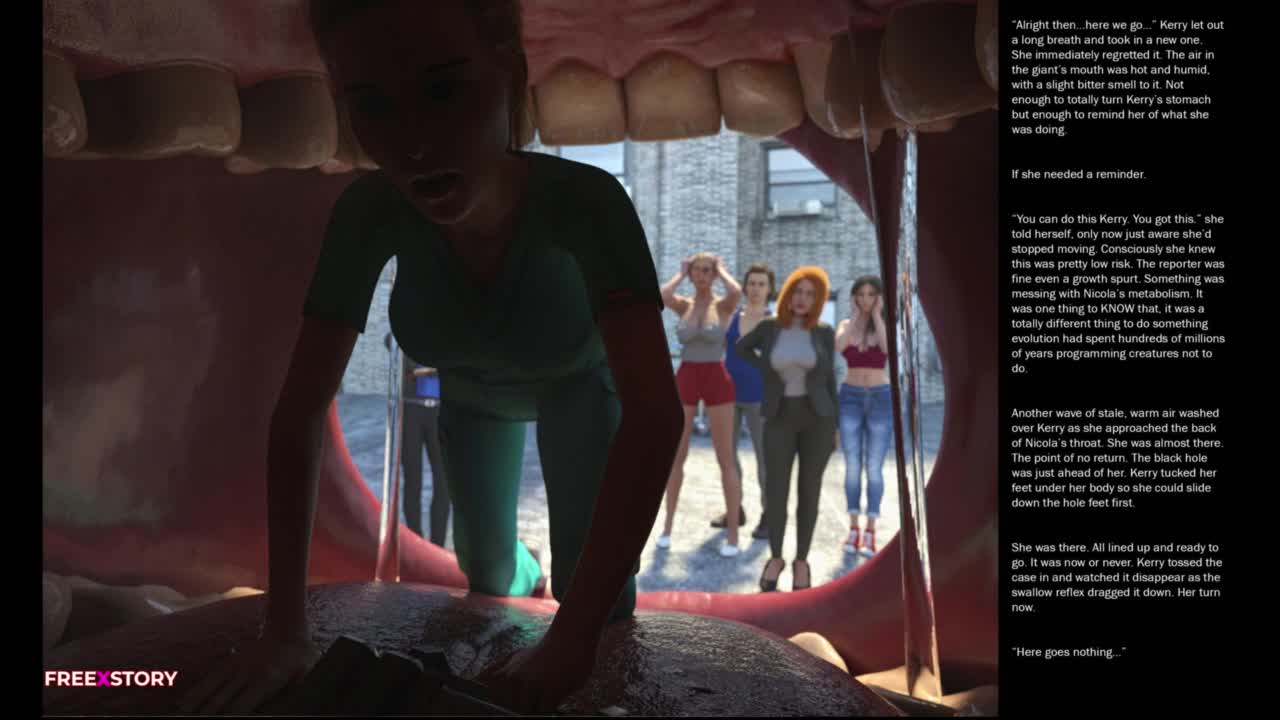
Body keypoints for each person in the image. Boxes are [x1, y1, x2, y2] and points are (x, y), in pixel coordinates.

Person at [179, 0, 683, 714]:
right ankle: (534, 590)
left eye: (445, 90)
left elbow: (654, 415)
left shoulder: (587, 203)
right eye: (372, 105)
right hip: (471, 397)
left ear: (510, 77)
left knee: (596, 595)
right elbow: (299, 411)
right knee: (488, 573)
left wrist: (573, 640)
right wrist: (283, 630)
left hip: (577, 388)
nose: (412, 142)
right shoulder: (368, 213)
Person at [734, 266, 837, 592]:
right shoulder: (769, 328)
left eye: (810, 294)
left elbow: (830, 380)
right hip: (779, 416)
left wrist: (834, 426)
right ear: (788, 294)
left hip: (817, 419)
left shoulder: (823, 332)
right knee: (776, 491)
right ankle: (776, 557)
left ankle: (801, 560)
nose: (802, 299)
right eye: (798, 291)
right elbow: (741, 348)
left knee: (809, 490)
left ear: (818, 300)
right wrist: (767, 370)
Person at [658, 253, 743, 556]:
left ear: (714, 273)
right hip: (687, 376)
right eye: (698, 270)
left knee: (725, 457)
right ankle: (667, 528)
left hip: (716, 376)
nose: (702, 275)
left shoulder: (723, 306)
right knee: (676, 456)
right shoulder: (685, 305)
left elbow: (737, 291)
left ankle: (733, 535)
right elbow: (662, 296)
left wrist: (722, 270)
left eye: (707, 270)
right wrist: (681, 274)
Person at [716, 263, 774, 540]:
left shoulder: (775, 321)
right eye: (751, 283)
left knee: (765, 460)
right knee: (728, 457)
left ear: (769, 289)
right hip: (727, 395)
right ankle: (735, 509)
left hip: (760, 398)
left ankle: (769, 516)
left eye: (761, 284)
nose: (755, 289)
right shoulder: (733, 317)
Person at [836, 276, 891, 557]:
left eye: (871, 294)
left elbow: (887, 349)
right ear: (854, 297)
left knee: (874, 467)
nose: (866, 299)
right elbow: (839, 346)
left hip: (880, 397)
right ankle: (853, 528)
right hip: (851, 397)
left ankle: (870, 530)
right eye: (861, 294)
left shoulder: (885, 325)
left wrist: (878, 315)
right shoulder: (847, 324)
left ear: (878, 297)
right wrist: (856, 317)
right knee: (852, 465)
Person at [385, 331, 450, 546]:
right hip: (412, 410)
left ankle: (437, 545)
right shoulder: (411, 329)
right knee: (413, 478)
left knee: (444, 481)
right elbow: (391, 341)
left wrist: (422, 370)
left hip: (440, 412)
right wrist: (435, 369)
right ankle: (415, 542)